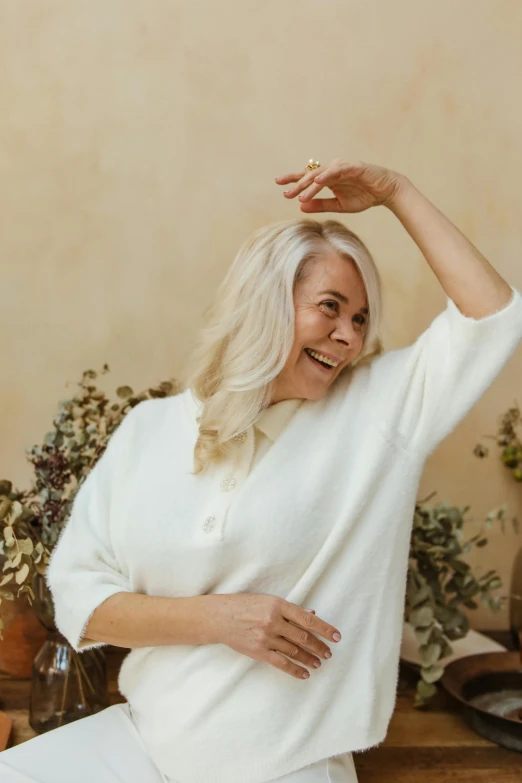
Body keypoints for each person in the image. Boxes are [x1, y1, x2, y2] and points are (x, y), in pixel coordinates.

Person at [2, 158, 521, 783]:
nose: (348, 338)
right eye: (329, 307)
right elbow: (77, 596)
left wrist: (396, 193)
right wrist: (219, 619)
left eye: (359, 319)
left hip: (287, 763)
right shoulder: (151, 429)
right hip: (143, 744)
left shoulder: (377, 414)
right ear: (266, 301)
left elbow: (491, 317)